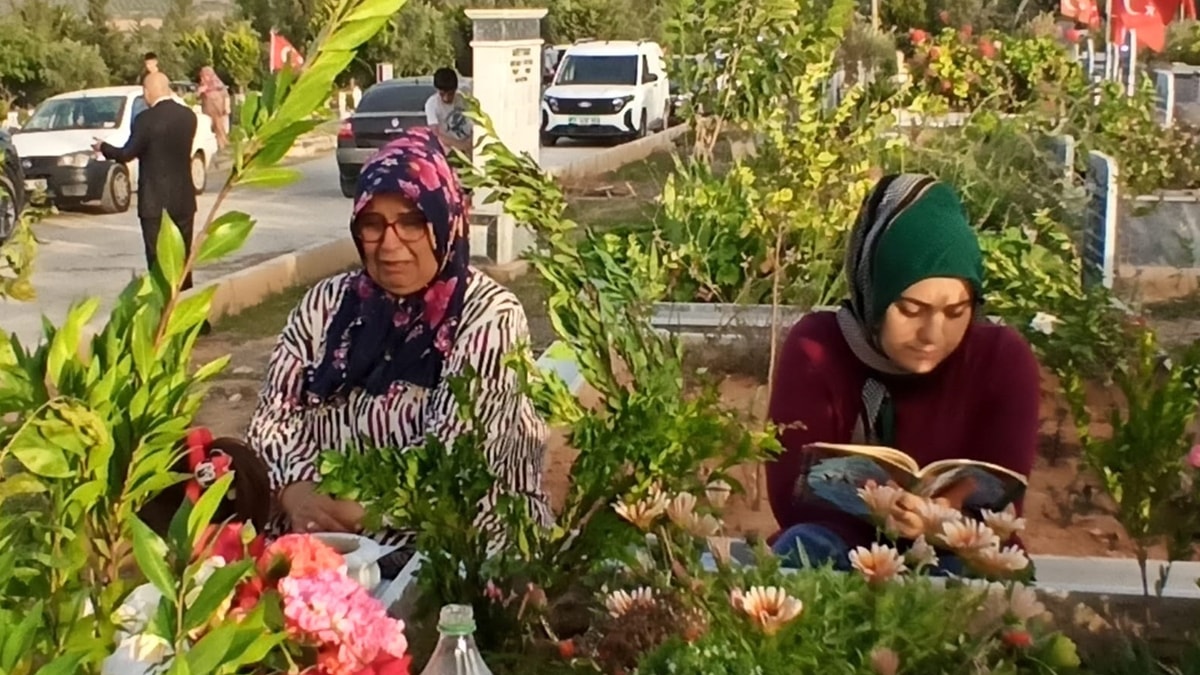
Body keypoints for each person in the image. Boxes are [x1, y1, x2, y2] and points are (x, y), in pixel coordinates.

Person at [246, 127, 550, 569]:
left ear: (444, 220)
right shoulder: (326, 306)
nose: (390, 245)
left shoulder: (487, 316)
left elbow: (461, 462)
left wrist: (358, 509)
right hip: (325, 542)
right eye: (373, 224)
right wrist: (296, 491)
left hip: (453, 546)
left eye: (411, 221)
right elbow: (274, 417)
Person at [766, 174, 1040, 570]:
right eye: (911, 310)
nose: (932, 334)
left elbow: (1003, 505)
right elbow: (792, 500)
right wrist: (879, 511)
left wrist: (941, 518)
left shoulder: (1001, 360)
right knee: (802, 550)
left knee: (978, 575)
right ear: (874, 292)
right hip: (845, 547)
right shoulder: (818, 348)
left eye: (955, 312)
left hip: (959, 550)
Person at [94, 71, 199, 291]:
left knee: (156, 258)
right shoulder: (188, 117)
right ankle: (188, 311)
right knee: (183, 257)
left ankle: (162, 313)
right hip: (183, 199)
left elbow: (127, 153)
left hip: (154, 201)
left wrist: (104, 148)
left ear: (148, 91)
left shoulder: (145, 120)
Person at [424, 67, 472, 153]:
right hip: (448, 152)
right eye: (442, 94)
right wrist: (461, 145)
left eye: (450, 94)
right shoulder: (432, 104)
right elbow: (435, 134)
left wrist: (470, 142)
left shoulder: (463, 99)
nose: (446, 98)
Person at [197, 66, 231, 149]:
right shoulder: (203, 86)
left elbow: (226, 95)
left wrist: (227, 106)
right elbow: (197, 98)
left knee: (219, 127)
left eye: (205, 76)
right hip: (208, 111)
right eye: (202, 76)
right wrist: (200, 91)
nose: (203, 78)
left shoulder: (218, 85)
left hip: (219, 110)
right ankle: (216, 146)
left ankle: (223, 144)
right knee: (212, 129)